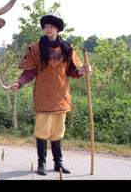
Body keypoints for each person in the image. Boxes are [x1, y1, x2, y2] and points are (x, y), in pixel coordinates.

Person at [10, 14, 91, 175]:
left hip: (61, 97)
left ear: (57, 29)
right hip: (43, 96)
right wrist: (19, 83)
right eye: (46, 27)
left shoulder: (67, 48)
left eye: (51, 27)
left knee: (57, 132)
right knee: (42, 131)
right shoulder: (36, 48)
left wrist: (82, 70)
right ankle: (42, 163)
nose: (48, 29)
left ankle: (58, 164)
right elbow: (29, 72)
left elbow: (72, 71)